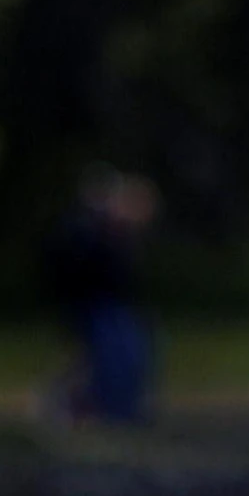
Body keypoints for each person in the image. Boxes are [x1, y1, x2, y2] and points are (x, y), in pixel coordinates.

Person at [44, 168, 159, 423]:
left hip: (114, 306)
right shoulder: (86, 232)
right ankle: (85, 406)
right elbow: (74, 272)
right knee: (99, 359)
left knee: (125, 356)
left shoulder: (118, 235)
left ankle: (119, 407)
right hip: (95, 306)